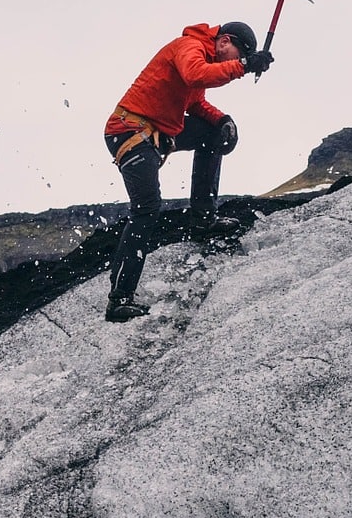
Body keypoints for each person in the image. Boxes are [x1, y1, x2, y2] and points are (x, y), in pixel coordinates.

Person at [102, 21, 274, 322]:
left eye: (239, 58)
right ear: (223, 42)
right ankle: (119, 300)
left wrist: (223, 121)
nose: (234, 61)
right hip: (129, 131)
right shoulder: (189, 48)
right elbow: (196, 74)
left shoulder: (204, 58)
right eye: (235, 53)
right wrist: (245, 65)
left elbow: (196, 103)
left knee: (212, 133)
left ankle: (203, 220)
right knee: (147, 210)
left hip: (156, 133)